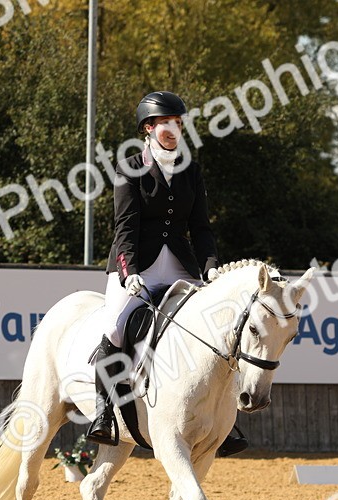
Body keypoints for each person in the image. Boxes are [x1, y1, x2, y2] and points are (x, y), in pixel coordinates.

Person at [87, 90, 246, 456]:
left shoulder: (191, 170)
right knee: (114, 328)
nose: (173, 129)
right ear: (148, 129)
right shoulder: (130, 167)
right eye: (165, 124)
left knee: (219, 328)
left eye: (178, 123)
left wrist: (210, 267)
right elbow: (124, 227)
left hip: (180, 266)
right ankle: (104, 413)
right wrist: (127, 273)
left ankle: (227, 420)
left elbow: (201, 228)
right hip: (136, 267)